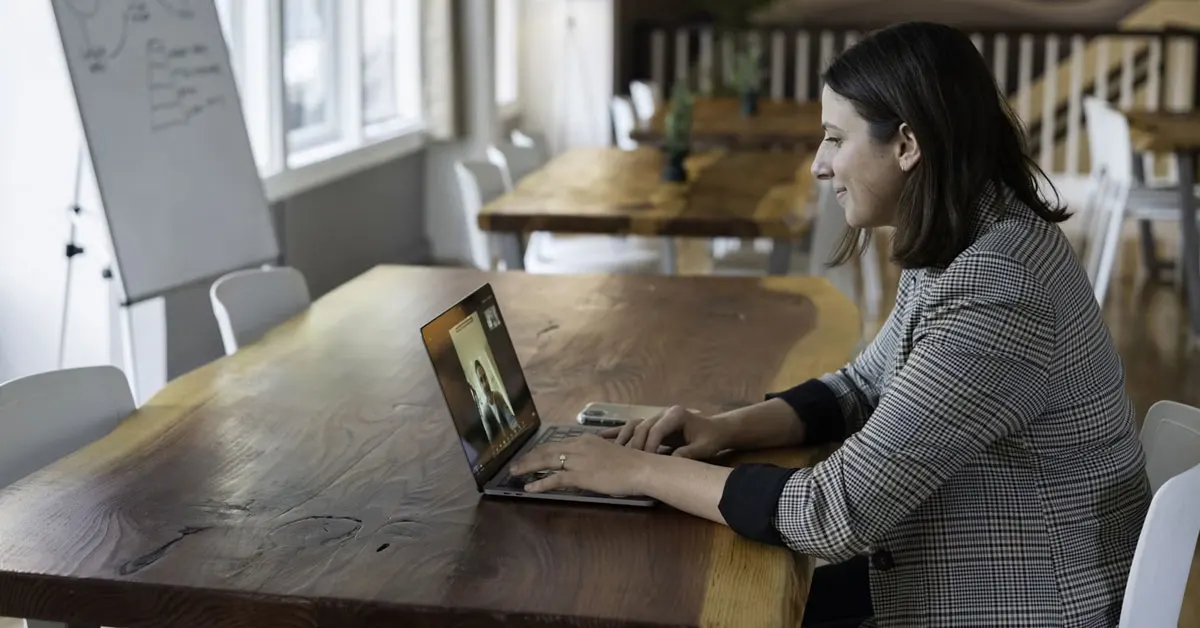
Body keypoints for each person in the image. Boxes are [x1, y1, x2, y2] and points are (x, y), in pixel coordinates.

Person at [510, 21, 1152, 628]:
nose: (819, 164)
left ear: (906, 145)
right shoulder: (971, 234)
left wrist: (636, 474)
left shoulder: (999, 285)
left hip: (1025, 603)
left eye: (836, 138)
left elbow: (833, 514)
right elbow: (861, 386)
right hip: (967, 573)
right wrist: (720, 429)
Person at [475, 359, 518, 433]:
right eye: (481, 380)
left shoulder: (498, 396)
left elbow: (509, 416)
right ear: (479, 384)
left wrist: (516, 426)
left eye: (485, 377)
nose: (485, 383)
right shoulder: (485, 412)